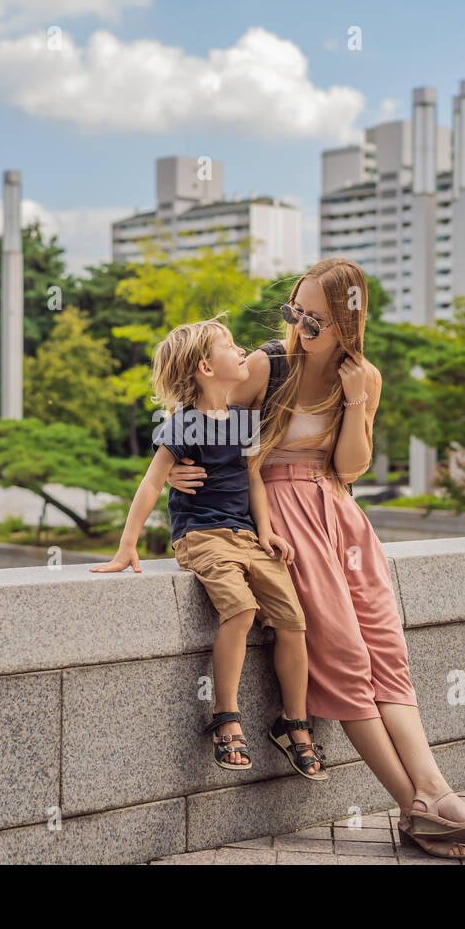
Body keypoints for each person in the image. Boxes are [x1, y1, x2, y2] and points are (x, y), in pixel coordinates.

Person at [166, 260, 465, 859]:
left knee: (387, 653)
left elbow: (350, 468)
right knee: (347, 658)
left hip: (341, 516)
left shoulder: (364, 378)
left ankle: (436, 795)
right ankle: (419, 806)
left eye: (314, 317)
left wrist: (356, 404)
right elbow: (199, 411)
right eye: (294, 311)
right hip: (283, 518)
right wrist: (178, 471)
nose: (299, 324)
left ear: (347, 320)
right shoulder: (267, 366)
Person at [90, 317, 327, 780]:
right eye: (230, 346)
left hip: (248, 537)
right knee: (238, 610)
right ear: (205, 366)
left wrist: (268, 530)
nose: (242, 351)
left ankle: (293, 723)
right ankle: (227, 718)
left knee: (294, 621)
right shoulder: (185, 424)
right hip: (202, 536)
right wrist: (126, 545)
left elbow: (253, 477)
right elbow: (152, 482)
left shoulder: (245, 420)